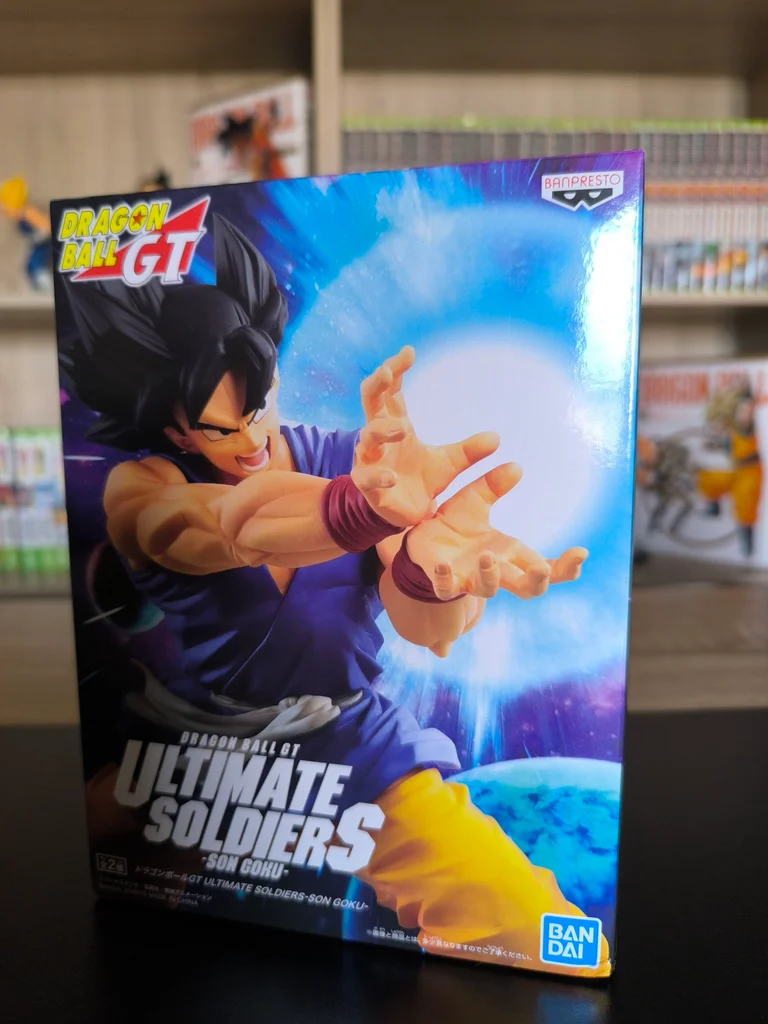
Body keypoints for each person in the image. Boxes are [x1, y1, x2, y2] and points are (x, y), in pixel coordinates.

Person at [62, 214, 608, 974]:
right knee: (108, 898)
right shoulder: (144, 487)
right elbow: (220, 525)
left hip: (347, 744)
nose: (251, 441)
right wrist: (355, 510)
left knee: (531, 930)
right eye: (219, 430)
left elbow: (427, 628)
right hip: (192, 754)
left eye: (258, 407)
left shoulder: (356, 462)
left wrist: (429, 569)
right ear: (176, 431)